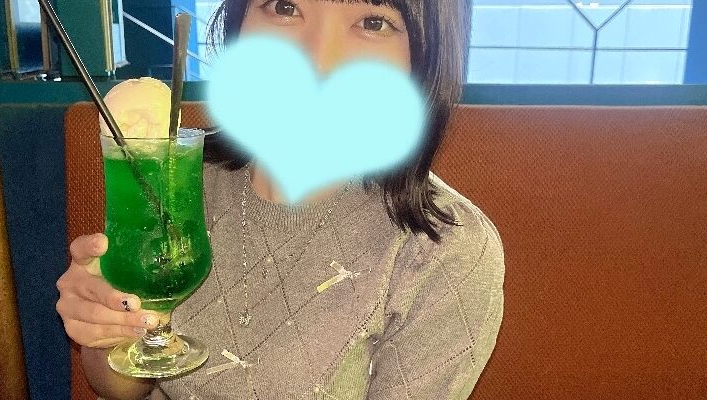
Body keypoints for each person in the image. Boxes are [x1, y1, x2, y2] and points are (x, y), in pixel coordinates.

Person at [55, 0, 505, 398]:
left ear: (424, 57)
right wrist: (107, 332)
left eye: (373, 22)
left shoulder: (445, 251)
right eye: (285, 7)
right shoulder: (175, 178)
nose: (317, 59)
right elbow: (118, 387)